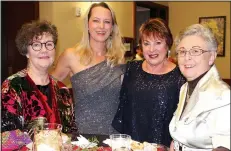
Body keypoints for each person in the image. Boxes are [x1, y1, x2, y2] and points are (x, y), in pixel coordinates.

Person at [52, 2, 126, 136]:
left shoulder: (118, 59)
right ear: (87, 24)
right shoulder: (71, 55)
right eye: (96, 21)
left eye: (107, 22)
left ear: (112, 27)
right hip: (83, 137)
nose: (101, 26)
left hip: (113, 136)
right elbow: (48, 89)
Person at [1, 20, 78, 146]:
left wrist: (68, 141)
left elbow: (71, 133)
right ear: (26, 51)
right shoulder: (12, 86)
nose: (44, 50)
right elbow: (3, 140)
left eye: (49, 44)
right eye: (36, 45)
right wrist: (38, 136)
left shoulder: (62, 89)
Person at [112, 18, 186, 147]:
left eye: (158, 43)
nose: (152, 49)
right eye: (146, 43)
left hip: (164, 147)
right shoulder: (131, 69)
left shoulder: (180, 76)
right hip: (131, 146)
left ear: (167, 44)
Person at [169, 24, 230, 151]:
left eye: (195, 51)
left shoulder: (222, 95)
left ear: (212, 57)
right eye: (182, 51)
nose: (187, 57)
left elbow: (224, 145)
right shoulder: (185, 88)